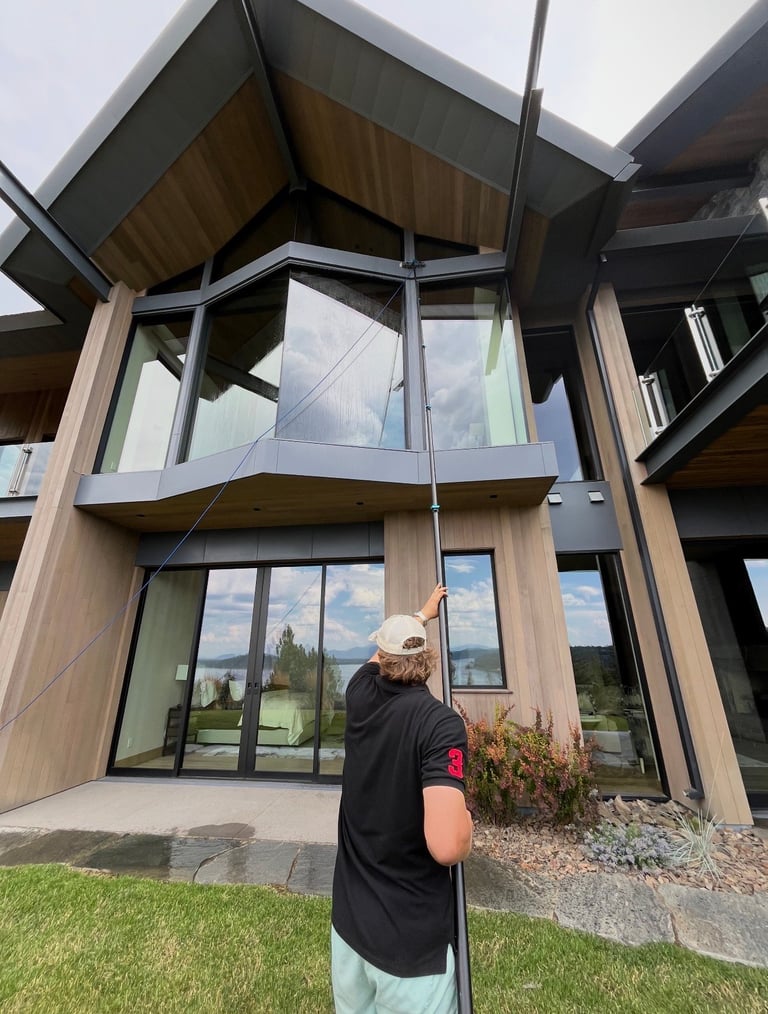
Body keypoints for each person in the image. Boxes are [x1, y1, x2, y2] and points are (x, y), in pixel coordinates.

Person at [331, 583, 472, 1014]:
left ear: (383, 658)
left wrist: (420, 614)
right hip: (409, 947)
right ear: (428, 660)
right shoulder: (440, 725)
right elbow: (448, 847)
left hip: (350, 927)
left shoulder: (359, 694)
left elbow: (380, 657)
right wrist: (466, 820)